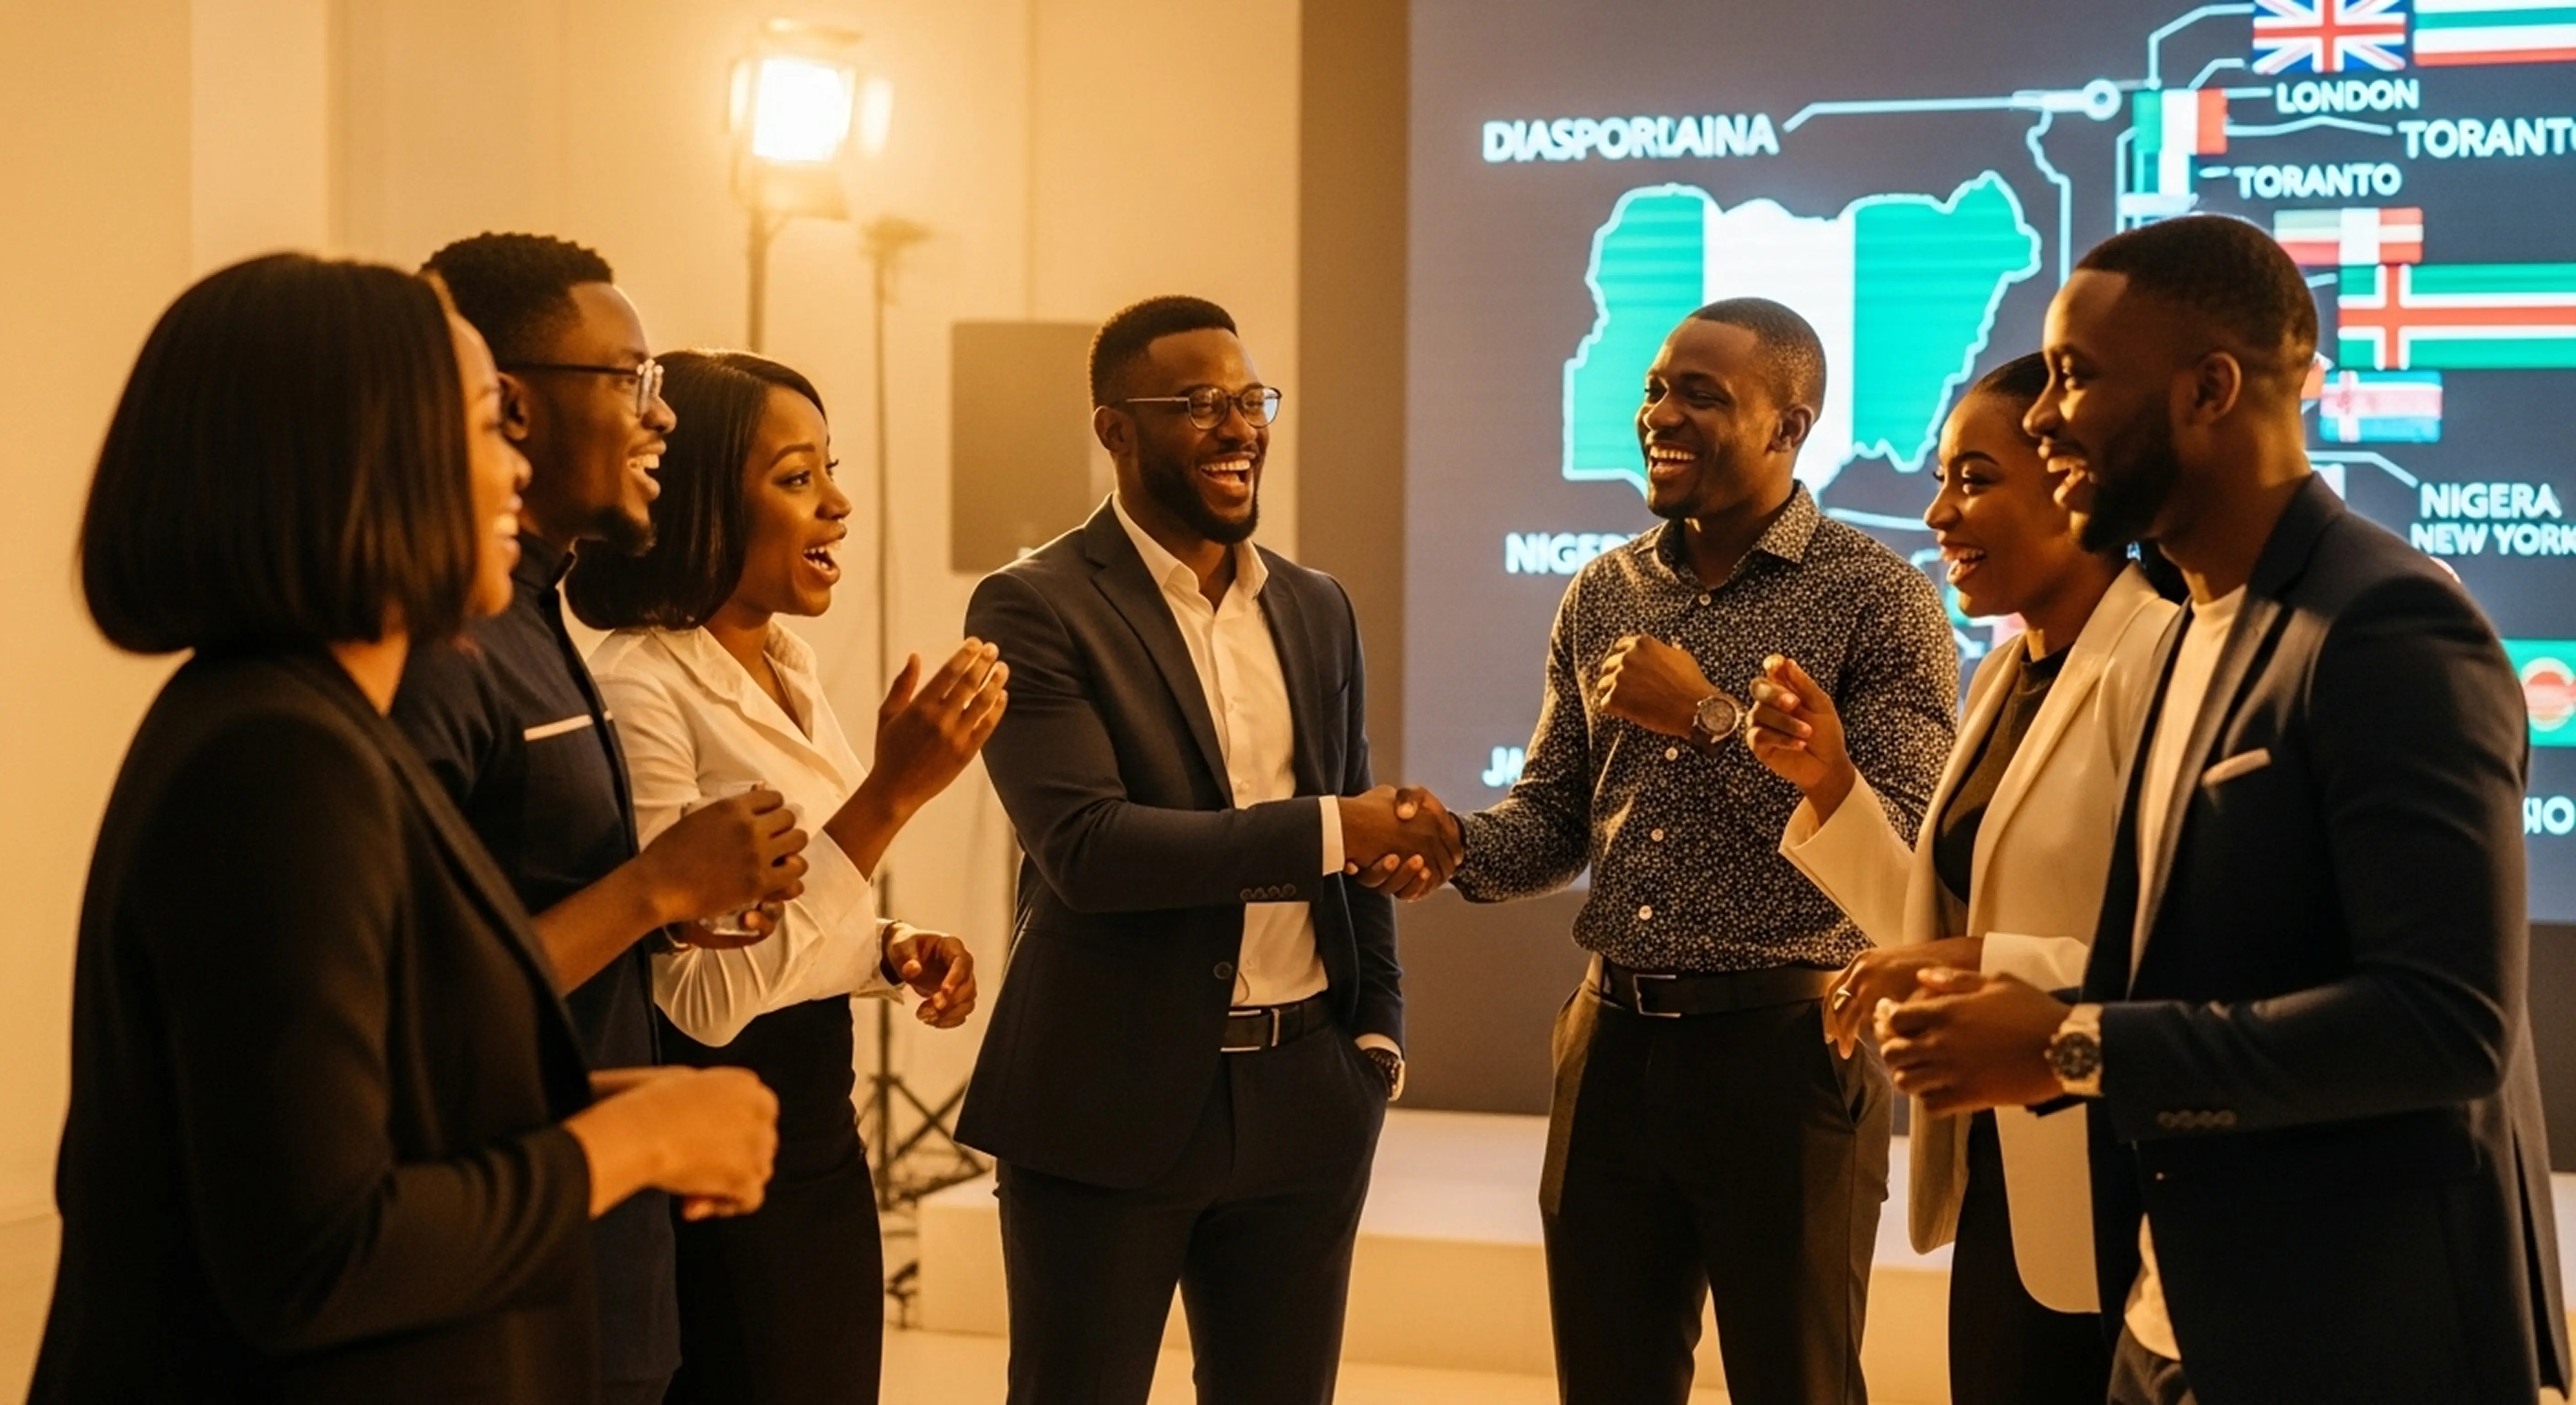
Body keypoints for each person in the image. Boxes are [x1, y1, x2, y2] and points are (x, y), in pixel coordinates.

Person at [34, 252, 780, 1402]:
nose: (508, 472)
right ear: (357, 463)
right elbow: (315, 1251)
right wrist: (632, 1146)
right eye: (487, 426)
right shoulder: (276, 760)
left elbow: (364, 1116)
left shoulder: (315, 728)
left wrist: (619, 1105)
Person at [1873, 214, 2569, 1405]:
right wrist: (2013, 979)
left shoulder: (2388, 625)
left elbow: (2446, 1025)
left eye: (2078, 378)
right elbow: (2222, 952)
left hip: (2352, 1342)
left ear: (2210, 390)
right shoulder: (2199, 620)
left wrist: (2068, 1043)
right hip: (2174, 1325)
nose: (2043, 418)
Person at [1404, 298, 1956, 1405]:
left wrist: (1706, 718)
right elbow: (1557, 821)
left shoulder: (1879, 598)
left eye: (1701, 394)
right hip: (1607, 1052)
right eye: (1656, 388)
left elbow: (1897, 849)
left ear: (1788, 426)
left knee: (1792, 1385)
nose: (1660, 413)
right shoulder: (1602, 592)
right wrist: (1450, 845)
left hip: (1789, 1053)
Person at [959, 295, 1449, 1405]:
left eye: (1248, 399)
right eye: (1196, 405)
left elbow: (1348, 819)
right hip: (1104, 1101)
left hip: (1306, 1100)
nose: (1237, 427)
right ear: (1114, 433)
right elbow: (1089, 851)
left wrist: (1374, 1036)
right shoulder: (1031, 605)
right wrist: (1337, 831)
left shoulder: (1318, 608)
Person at [395, 233, 809, 1405]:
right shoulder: (443, 652)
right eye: (632, 381)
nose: (661, 418)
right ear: (511, 408)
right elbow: (419, 1008)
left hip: (598, 1233)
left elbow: (528, 916)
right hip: (507, 1250)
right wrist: (654, 890)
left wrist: (668, 913)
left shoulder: (533, 625)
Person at [569, 349, 1001, 1405]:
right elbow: (702, 1000)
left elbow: (789, 906)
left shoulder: (788, 664)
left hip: (819, 1133)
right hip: (723, 1161)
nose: (839, 505)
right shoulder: (640, 685)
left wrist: (889, 950)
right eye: (798, 477)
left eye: (830, 471)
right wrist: (888, 798)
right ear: (710, 500)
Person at [1746, 353, 2178, 1404]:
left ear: (2076, 488)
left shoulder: (2163, 662)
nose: (1936, 512)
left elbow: (2189, 957)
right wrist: (1831, 783)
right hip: (2005, 1175)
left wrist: (1980, 960)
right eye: (1941, 479)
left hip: (2118, 1176)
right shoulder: (2009, 670)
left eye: (1974, 480)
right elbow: (1932, 925)